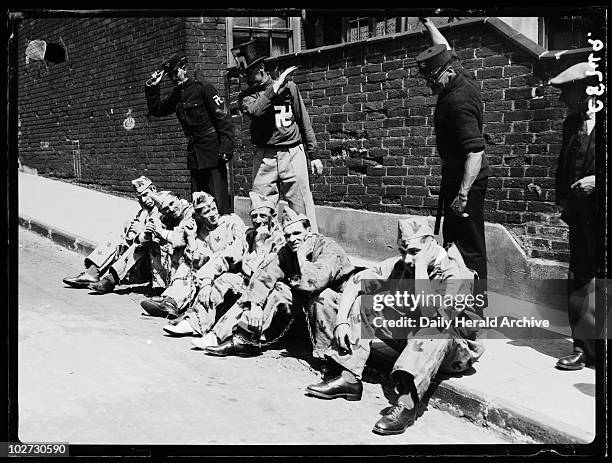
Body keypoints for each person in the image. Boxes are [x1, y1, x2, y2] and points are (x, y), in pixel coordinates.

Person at [305, 217, 485, 435]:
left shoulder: (455, 274)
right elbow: (355, 283)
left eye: (414, 252)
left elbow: (432, 316)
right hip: (413, 338)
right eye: (403, 251)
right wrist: (342, 321)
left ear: (431, 245)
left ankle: (407, 404)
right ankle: (349, 379)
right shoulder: (401, 264)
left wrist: (420, 268)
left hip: (453, 351)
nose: (407, 259)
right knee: (366, 303)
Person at [202, 205, 355, 358]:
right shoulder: (288, 250)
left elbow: (315, 283)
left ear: (309, 231)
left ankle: (328, 357)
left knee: (322, 297)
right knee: (278, 289)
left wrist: (301, 259)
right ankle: (243, 339)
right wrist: (256, 305)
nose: (292, 239)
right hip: (308, 305)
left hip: (339, 305)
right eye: (288, 235)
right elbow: (265, 274)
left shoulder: (328, 248)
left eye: (297, 233)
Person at [415, 29, 489, 312]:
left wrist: (463, 195)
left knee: (469, 248)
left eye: (432, 79)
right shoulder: (459, 77)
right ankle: (455, 301)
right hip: (456, 180)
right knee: (453, 243)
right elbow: (442, 45)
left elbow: (475, 152)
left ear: (447, 71)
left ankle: (475, 311)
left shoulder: (459, 102)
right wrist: (427, 22)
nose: (429, 85)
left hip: (466, 184)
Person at [163, 191, 285, 344]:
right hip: (245, 280)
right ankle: (195, 323)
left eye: (263, 216)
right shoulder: (249, 236)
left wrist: (260, 243)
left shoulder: (281, 240)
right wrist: (206, 280)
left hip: (265, 288)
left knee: (244, 299)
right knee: (223, 280)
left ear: (273, 217)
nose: (258, 221)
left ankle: (217, 336)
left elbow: (265, 272)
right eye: (254, 216)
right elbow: (225, 257)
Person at [232, 38, 322, 232]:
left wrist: (313, 155)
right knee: (261, 207)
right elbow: (256, 111)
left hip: (292, 152)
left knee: (300, 207)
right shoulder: (247, 96)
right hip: (265, 156)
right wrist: (273, 89)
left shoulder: (289, 88)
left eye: (249, 73)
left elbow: (303, 120)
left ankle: (308, 249)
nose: (245, 78)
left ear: (262, 68)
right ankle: (265, 248)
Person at [549, 62, 598, 370]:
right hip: (581, 217)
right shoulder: (572, 123)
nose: (562, 99)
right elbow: (562, 166)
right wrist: (563, 202)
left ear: (587, 89)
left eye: (567, 92)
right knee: (579, 278)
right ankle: (584, 349)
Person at [145, 53, 235, 214]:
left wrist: (226, 147)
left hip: (213, 151)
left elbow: (223, 118)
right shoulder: (177, 94)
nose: (173, 78)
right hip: (195, 154)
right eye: (170, 75)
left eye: (175, 73)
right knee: (198, 202)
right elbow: (157, 109)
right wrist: (152, 86)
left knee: (218, 202)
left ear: (184, 69)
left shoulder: (203, 89)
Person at [140, 191, 246, 319]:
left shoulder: (231, 222)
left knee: (193, 269)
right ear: (199, 216)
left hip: (231, 270)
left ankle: (172, 301)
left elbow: (242, 248)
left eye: (213, 209)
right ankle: (171, 302)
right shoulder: (201, 233)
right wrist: (191, 238)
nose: (212, 214)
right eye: (206, 213)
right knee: (187, 266)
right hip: (210, 272)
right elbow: (196, 261)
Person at [62, 176, 160, 291]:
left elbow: (155, 238)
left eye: (145, 195)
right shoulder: (145, 210)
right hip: (139, 260)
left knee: (137, 246)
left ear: (153, 189)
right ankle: (91, 274)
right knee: (117, 237)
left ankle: (110, 281)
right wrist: (129, 229)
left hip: (154, 264)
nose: (143, 200)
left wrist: (139, 230)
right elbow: (132, 235)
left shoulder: (164, 208)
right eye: (139, 198)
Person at [88, 190, 194, 294]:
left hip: (189, 262)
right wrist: (146, 233)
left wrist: (159, 231)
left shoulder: (190, 213)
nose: (170, 209)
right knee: (144, 245)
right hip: (166, 263)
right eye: (165, 208)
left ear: (176, 198)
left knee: (152, 246)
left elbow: (179, 240)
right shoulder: (163, 217)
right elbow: (141, 238)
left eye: (172, 203)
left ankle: (110, 279)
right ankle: (108, 278)